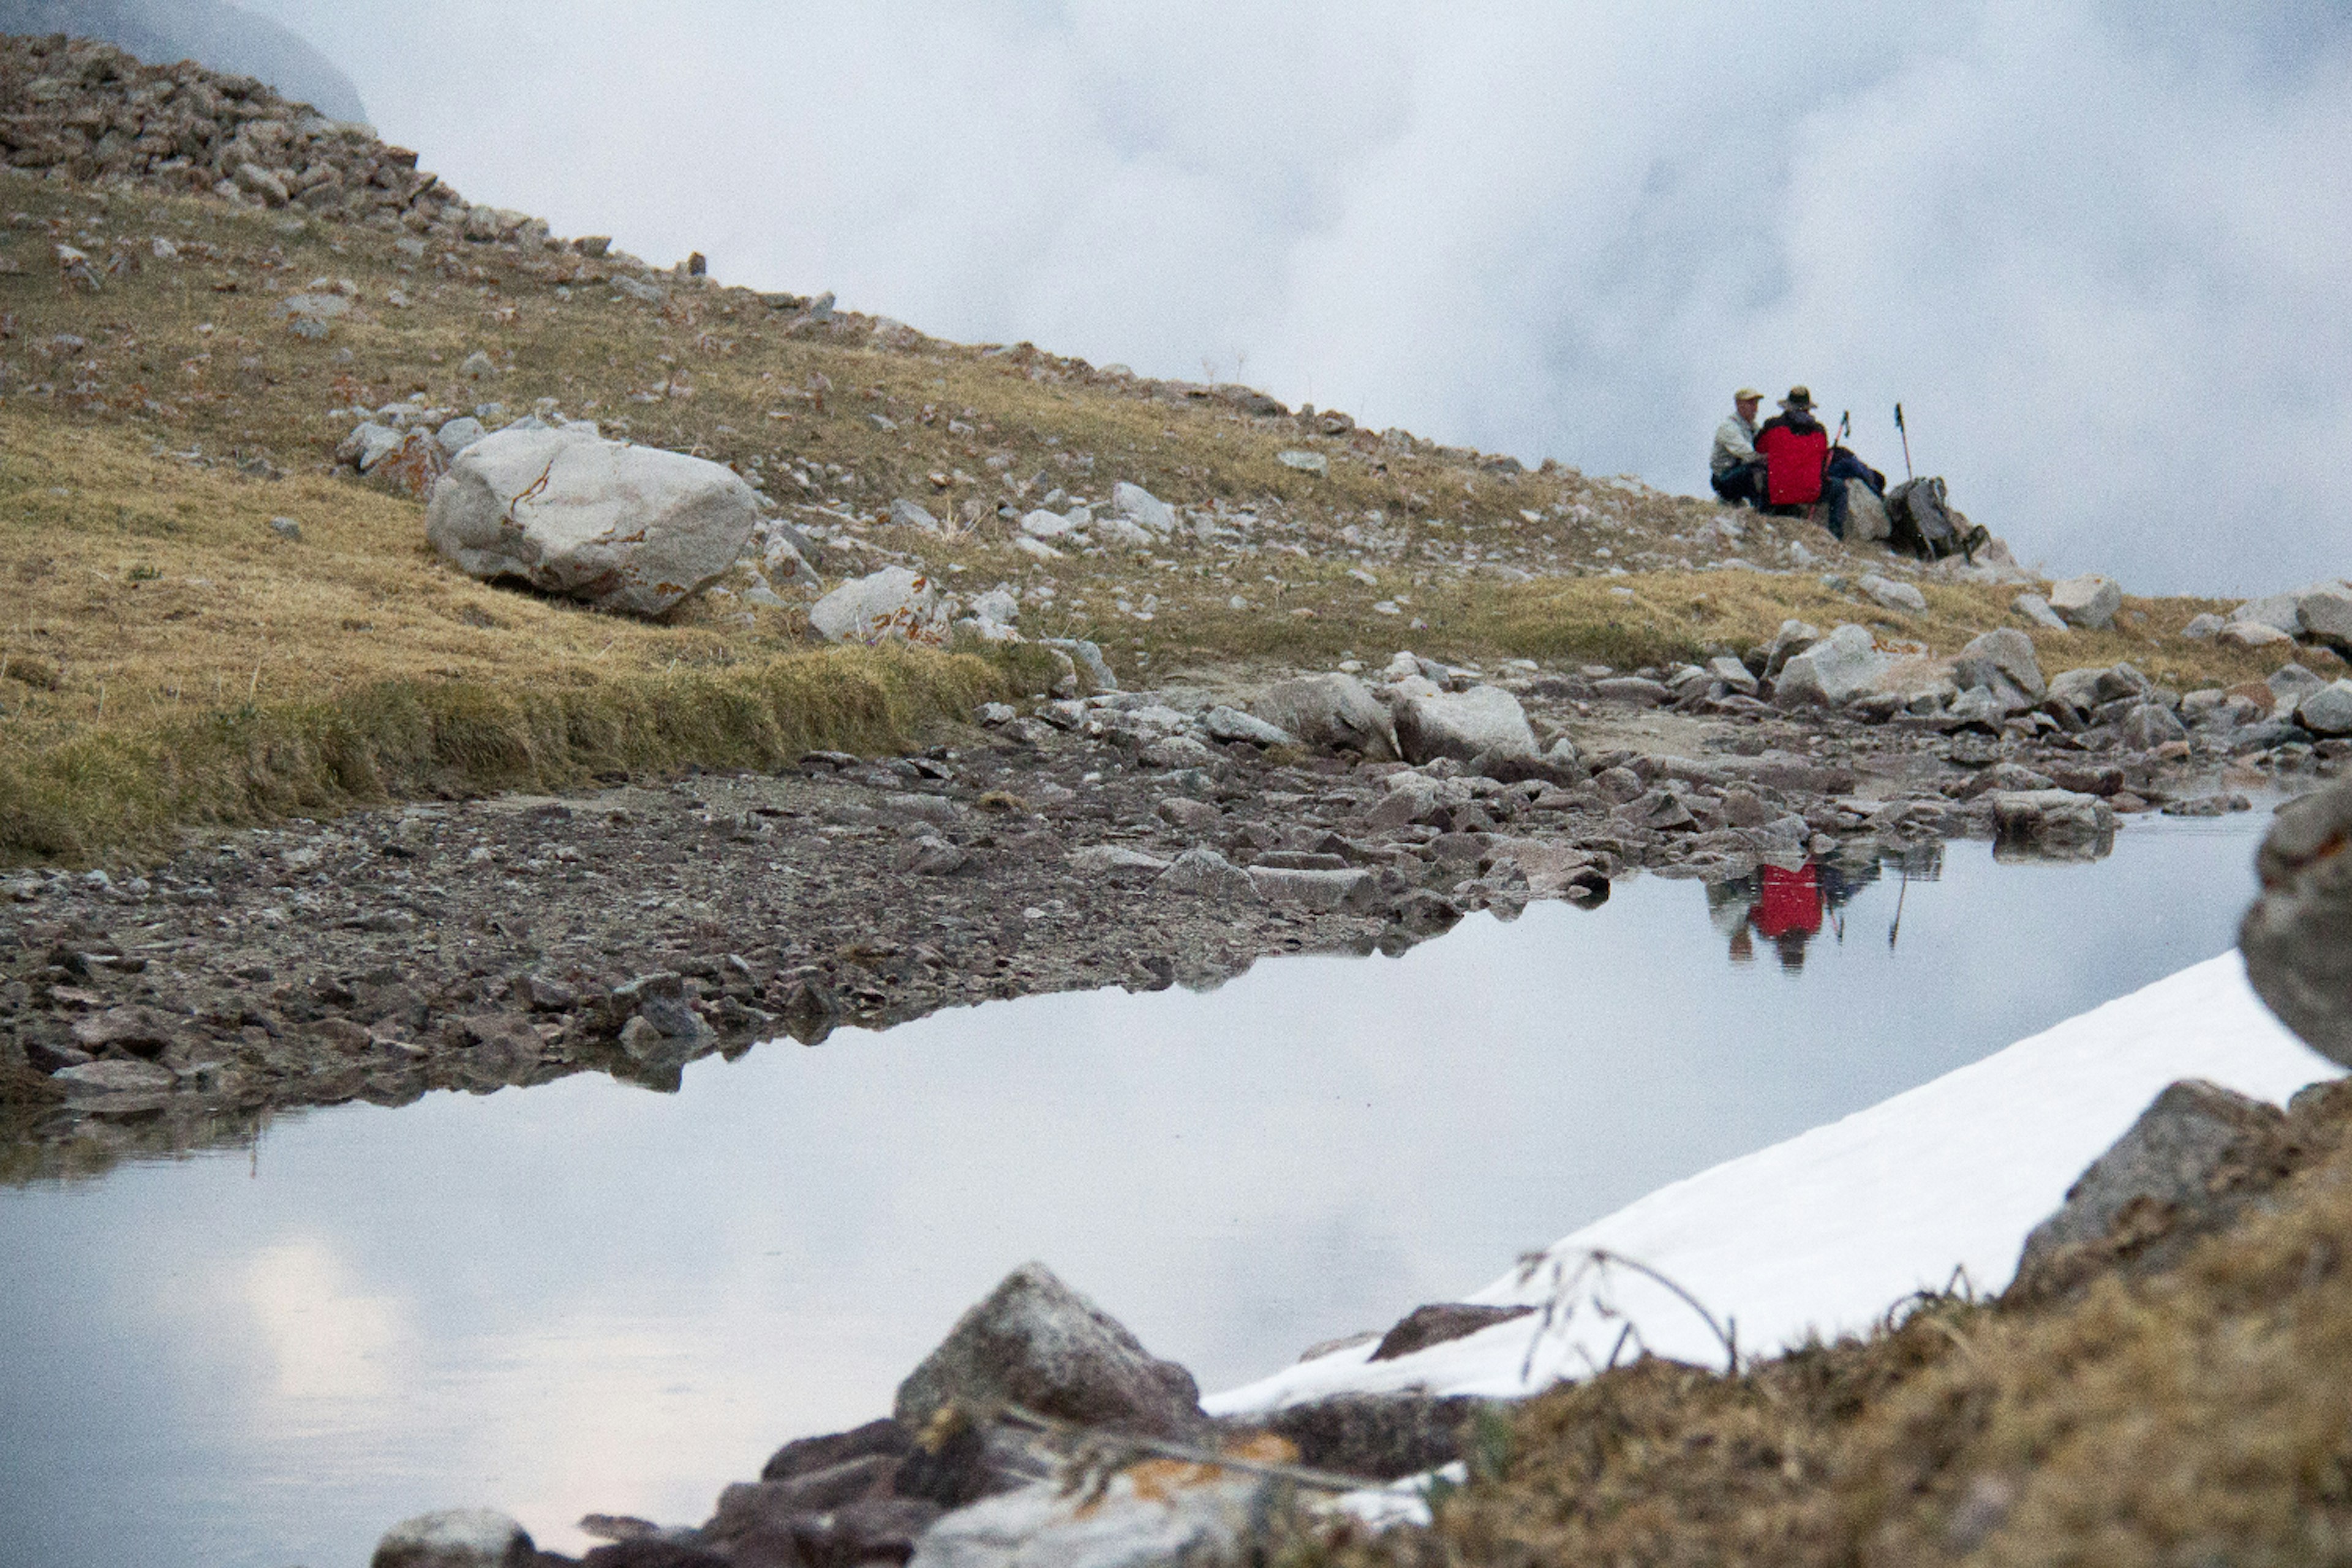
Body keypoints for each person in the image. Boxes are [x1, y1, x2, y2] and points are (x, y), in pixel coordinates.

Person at [1754, 385, 1830, 516]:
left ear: (1787, 406)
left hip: (1778, 494)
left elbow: (1759, 447)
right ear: (1808, 408)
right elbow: (1823, 457)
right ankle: (1836, 532)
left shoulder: (1772, 425)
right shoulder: (1820, 431)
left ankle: (1762, 513)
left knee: (1757, 471)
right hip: (1810, 494)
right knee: (1840, 489)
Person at [1708, 388, 1766, 508]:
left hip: (1737, 472)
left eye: (1756, 404)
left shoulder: (1753, 428)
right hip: (1723, 477)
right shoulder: (1729, 428)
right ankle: (1759, 510)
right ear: (1739, 405)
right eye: (1751, 403)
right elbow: (1748, 454)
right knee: (1755, 471)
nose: (1755, 408)